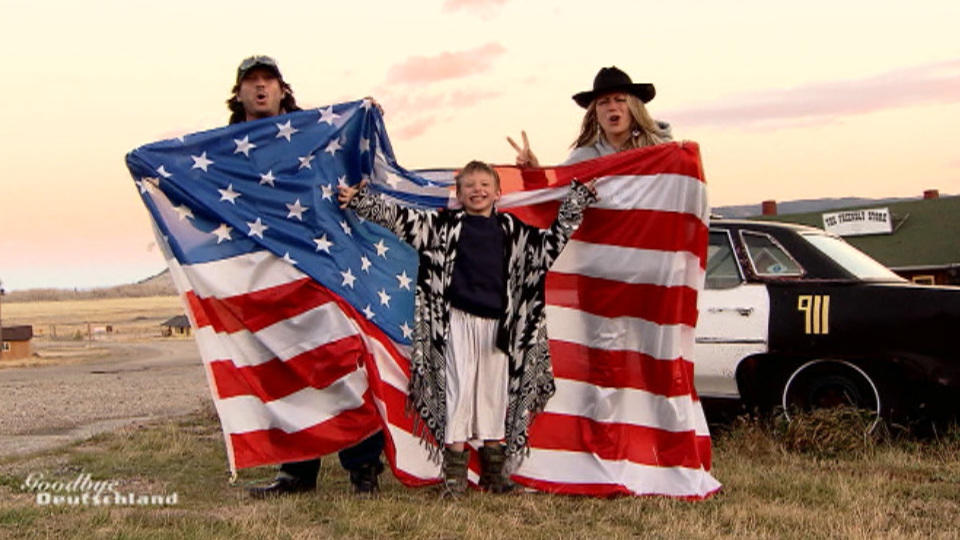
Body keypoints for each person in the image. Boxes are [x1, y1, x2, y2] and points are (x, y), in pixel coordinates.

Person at [338, 161, 597, 495]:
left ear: (498, 192)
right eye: (470, 185)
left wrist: (575, 202)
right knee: (457, 395)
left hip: (499, 328)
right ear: (458, 195)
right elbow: (399, 218)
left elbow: (549, 247)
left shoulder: (513, 231)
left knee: (493, 395)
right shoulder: (440, 227)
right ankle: (454, 479)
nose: (478, 190)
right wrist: (361, 201)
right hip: (454, 325)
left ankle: (494, 475)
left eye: (484, 184)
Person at [227, 55, 386, 497]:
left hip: (318, 265)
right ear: (238, 93)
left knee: (340, 362)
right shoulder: (223, 149)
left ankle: (364, 468)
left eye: (268, 81)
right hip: (263, 271)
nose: (261, 88)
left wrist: (364, 115)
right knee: (285, 364)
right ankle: (297, 472)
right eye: (252, 82)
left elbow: (348, 169)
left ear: (282, 89)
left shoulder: (312, 135)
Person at [509, 66, 673, 167]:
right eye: (604, 102)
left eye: (620, 100)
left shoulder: (661, 151)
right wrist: (535, 171)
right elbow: (556, 192)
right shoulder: (584, 158)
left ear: (634, 108)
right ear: (595, 114)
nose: (612, 107)